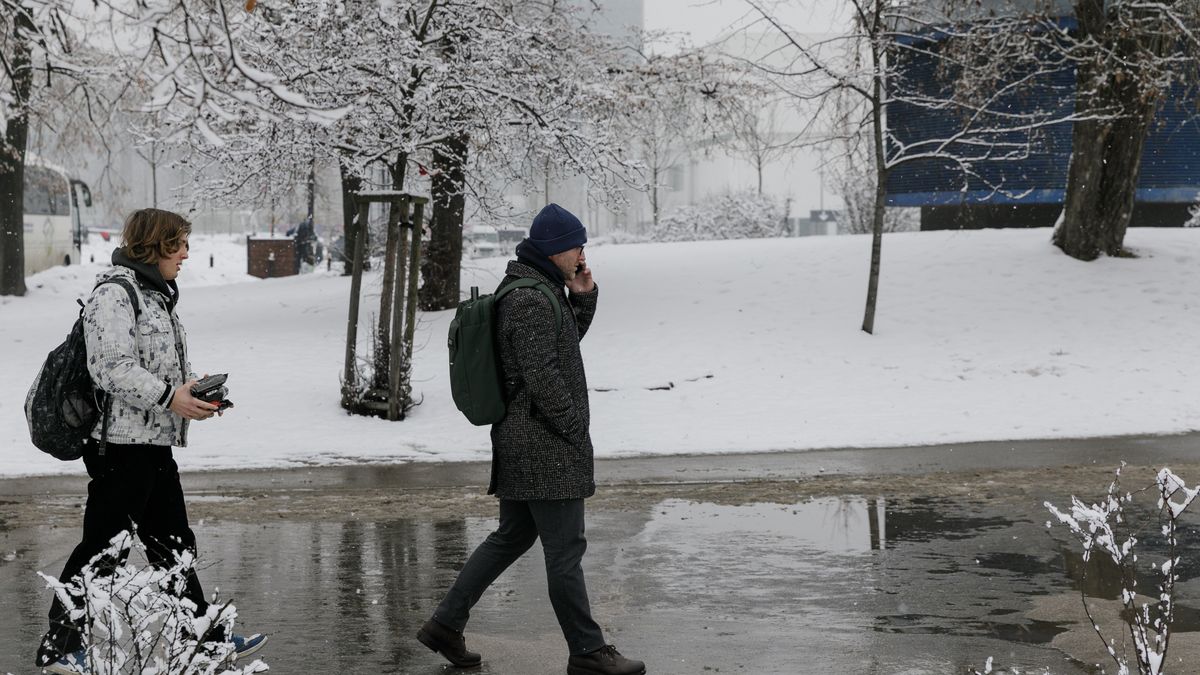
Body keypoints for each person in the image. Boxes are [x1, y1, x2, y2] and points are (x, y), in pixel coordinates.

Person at [35, 209, 266, 674]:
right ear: (154, 246)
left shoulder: (154, 296)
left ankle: (204, 641)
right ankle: (58, 647)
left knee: (173, 546)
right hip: (119, 448)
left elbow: (152, 366)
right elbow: (111, 368)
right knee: (102, 549)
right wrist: (169, 396)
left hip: (152, 444)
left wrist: (192, 391)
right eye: (178, 244)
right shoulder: (114, 296)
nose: (185, 253)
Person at [418, 204, 645, 675]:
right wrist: (573, 430)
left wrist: (582, 297)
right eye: (578, 245)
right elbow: (543, 377)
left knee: (510, 538)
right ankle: (587, 651)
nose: (583, 254)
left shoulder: (542, 293)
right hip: (544, 445)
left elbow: (561, 345)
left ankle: (445, 624)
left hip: (529, 440)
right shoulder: (528, 299)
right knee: (565, 553)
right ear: (557, 248)